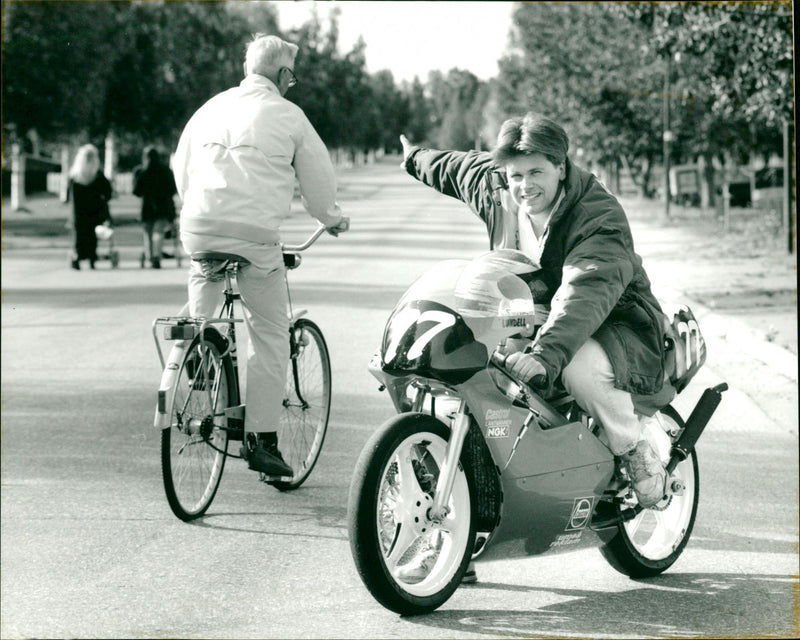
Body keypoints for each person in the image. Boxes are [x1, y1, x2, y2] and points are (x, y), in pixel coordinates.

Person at [400, 113, 675, 510]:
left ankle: (634, 451)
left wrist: (546, 353)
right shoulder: (498, 188)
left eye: (536, 172)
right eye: (515, 176)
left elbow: (585, 291)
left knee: (578, 371)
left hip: (614, 321)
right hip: (534, 309)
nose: (525, 186)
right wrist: (414, 158)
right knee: (482, 365)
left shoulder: (598, 214)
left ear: (560, 167)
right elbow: (454, 168)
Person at [172, 33, 348, 479]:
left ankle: (199, 344)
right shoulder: (290, 115)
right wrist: (331, 218)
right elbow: (318, 181)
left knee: (204, 279)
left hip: (199, 226)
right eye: (294, 74)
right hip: (253, 237)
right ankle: (262, 442)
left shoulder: (210, 107)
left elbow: (182, 165)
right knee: (270, 333)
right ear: (284, 74)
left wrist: (199, 213)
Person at [66, 144, 112, 270]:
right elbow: (108, 192)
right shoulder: (97, 175)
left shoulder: (74, 177)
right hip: (94, 210)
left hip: (77, 212)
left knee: (78, 236)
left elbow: (67, 195)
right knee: (92, 235)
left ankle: (77, 257)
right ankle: (91, 258)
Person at [133, 146, 178, 269]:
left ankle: (150, 256)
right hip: (163, 206)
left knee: (147, 233)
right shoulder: (166, 171)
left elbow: (136, 191)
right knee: (158, 232)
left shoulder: (141, 172)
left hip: (147, 206)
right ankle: (157, 256)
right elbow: (172, 189)